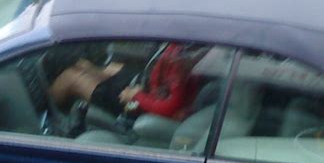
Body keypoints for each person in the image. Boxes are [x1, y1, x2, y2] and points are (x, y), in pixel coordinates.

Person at [49, 43, 209, 120]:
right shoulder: (191, 44)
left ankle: (43, 117)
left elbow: (170, 107)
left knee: (70, 78)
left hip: (139, 104)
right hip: (150, 86)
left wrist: (136, 95)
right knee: (93, 66)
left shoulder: (180, 62)